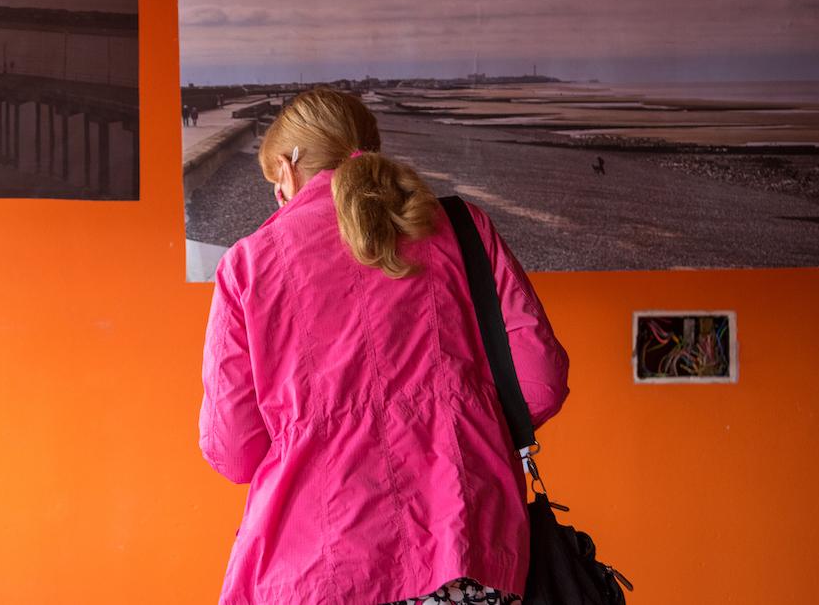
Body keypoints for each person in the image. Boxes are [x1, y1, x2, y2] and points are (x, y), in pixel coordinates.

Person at [198, 87, 570, 604]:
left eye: (274, 184)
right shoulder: (464, 228)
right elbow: (540, 385)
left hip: (315, 571)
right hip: (465, 552)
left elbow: (233, 452)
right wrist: (456, 428)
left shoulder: (248, 264)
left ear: (287, 168)